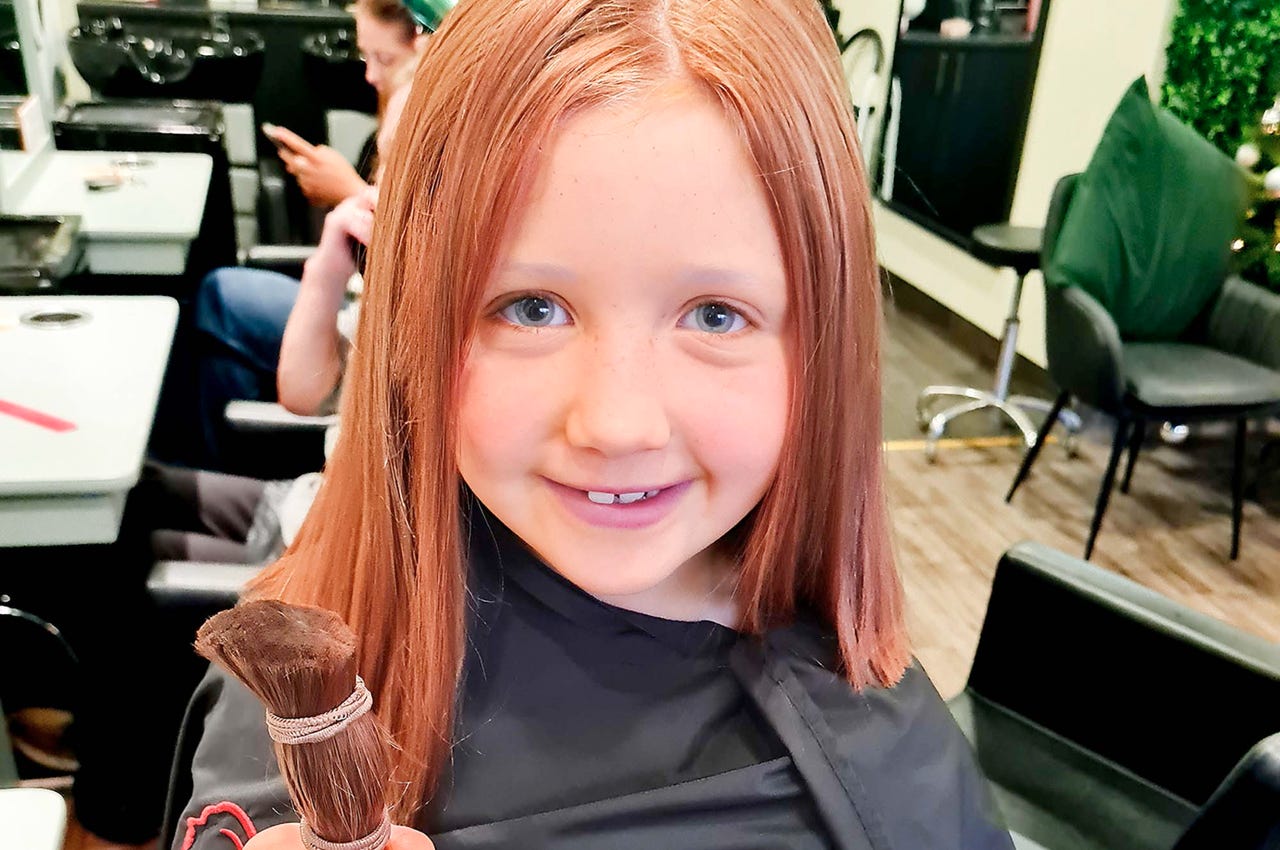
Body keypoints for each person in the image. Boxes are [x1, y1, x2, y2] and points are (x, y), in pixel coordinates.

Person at [170, 0, 1015, 848]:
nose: (617, 425)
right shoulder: (308, 693)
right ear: (412, 324)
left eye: (715, 316)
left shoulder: (895, 791)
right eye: (531, 308)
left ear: (824, 346)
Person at [162, 0, 425, 473]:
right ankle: (227, 463)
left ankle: (216, 462)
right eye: (364, 56)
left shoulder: (423, 121)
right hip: (352, 307)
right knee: (223, 322)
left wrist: (348, 190)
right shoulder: (397, 116)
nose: (369, 74)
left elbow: (412, 236)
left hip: (359, 316)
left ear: (423, 42)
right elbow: (303, 393)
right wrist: (325, 267)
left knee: (221, 298)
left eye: (382, 58)